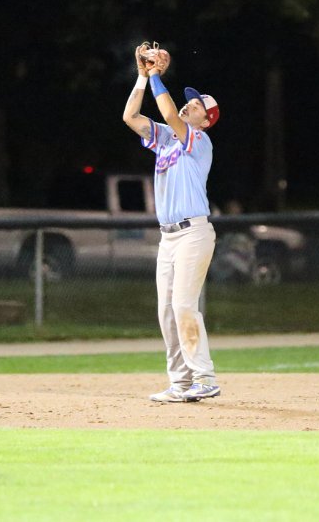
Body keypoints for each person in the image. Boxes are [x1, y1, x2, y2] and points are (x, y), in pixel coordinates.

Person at [121, 42, 223, 403]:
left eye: (196, 106)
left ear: (205, 120)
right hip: (168, 238)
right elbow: (130, 117)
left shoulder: (200, 140)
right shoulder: (165, 138)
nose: (187, 105)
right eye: (189, 102)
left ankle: (205, 377)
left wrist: (156, 77)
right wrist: (141, 76)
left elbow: (167, 109)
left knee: (183, 305)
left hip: (194, 233)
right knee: (166, 312)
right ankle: (181, 383)